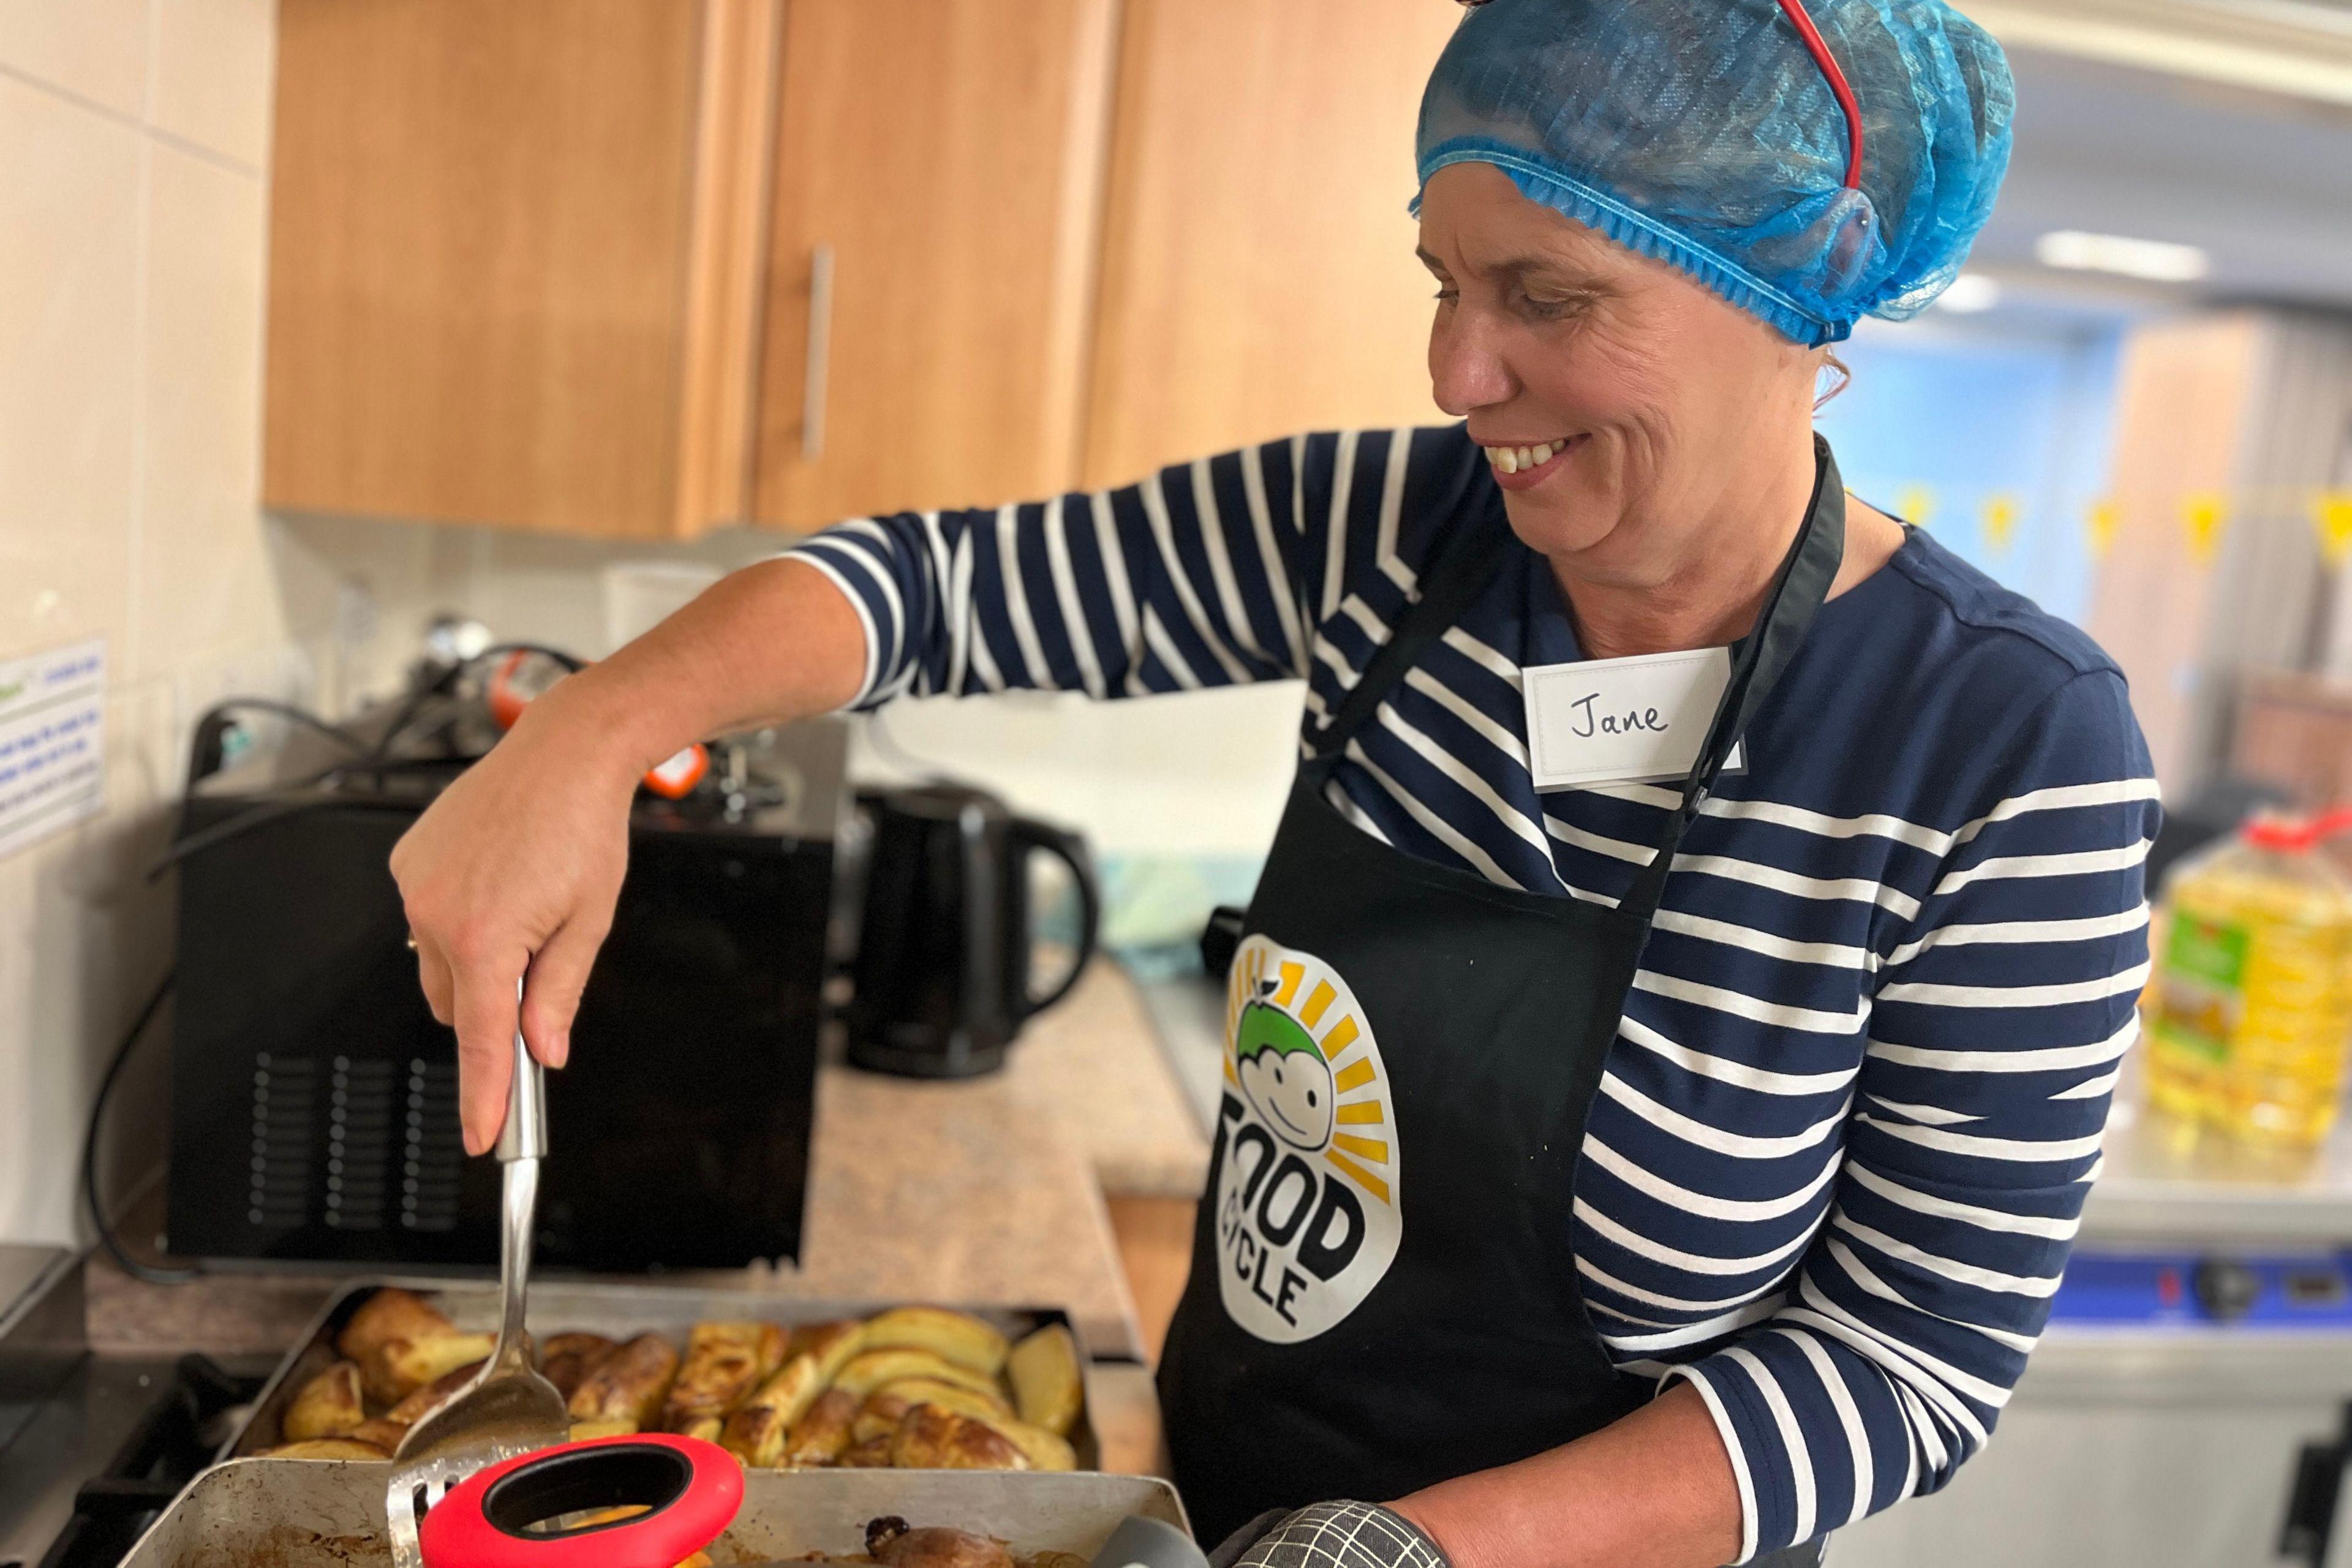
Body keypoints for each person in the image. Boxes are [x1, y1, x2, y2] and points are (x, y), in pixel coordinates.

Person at [390, 2, 2158, 1564]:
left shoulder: (2008, 747)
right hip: (1219, 1514)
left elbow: (1909, 1361)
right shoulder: (1387, 534)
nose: (1460, 377)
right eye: (1447, 286)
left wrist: (1405, 1553)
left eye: (1549, 297)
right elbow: (935, 589)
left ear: (1792, 300)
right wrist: (591, 732)